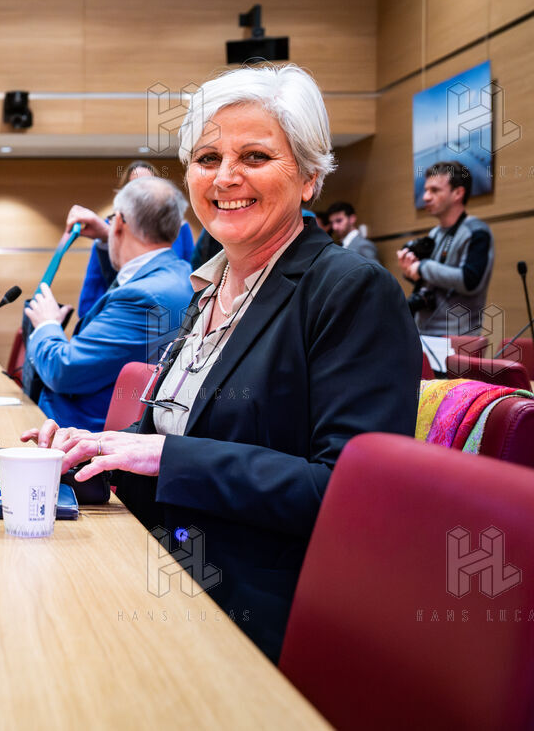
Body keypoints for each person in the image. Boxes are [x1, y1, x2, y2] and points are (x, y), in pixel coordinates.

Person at [23, 64, 418, 662]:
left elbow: (352, 493)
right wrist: (96, 453)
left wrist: (163, 455)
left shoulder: (350, 290)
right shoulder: (210, 287)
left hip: (257, 610)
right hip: (160, 567)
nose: (226, 176)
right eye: (207, 158)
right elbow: (172, 444)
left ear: (310, 177)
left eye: (255, 156)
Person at [23, 176, 193, 432]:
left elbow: (63, 371)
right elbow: (133, 274)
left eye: (113, 220)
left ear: (120, 222)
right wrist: (108, 237)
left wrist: (47, 324)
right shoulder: (182, 274)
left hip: (77, 432)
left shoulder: (141, 298)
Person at [74, 160, 194, 316]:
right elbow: (94, 282)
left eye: (148, 184)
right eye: (136, 186)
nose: (143, 194)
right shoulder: (110, 226)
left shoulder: (179, 227)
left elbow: (191, 271)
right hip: (120, 311)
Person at [398, 160, 494, 336]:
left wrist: (423, 267)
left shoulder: (476, 231)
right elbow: (436, 281)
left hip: (458, 338)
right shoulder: (436, 232)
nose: (425, 197)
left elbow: (469, 282)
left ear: (458, 193)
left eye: (434, 190)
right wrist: (411, 271)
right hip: (424, 332)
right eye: (426, 190)